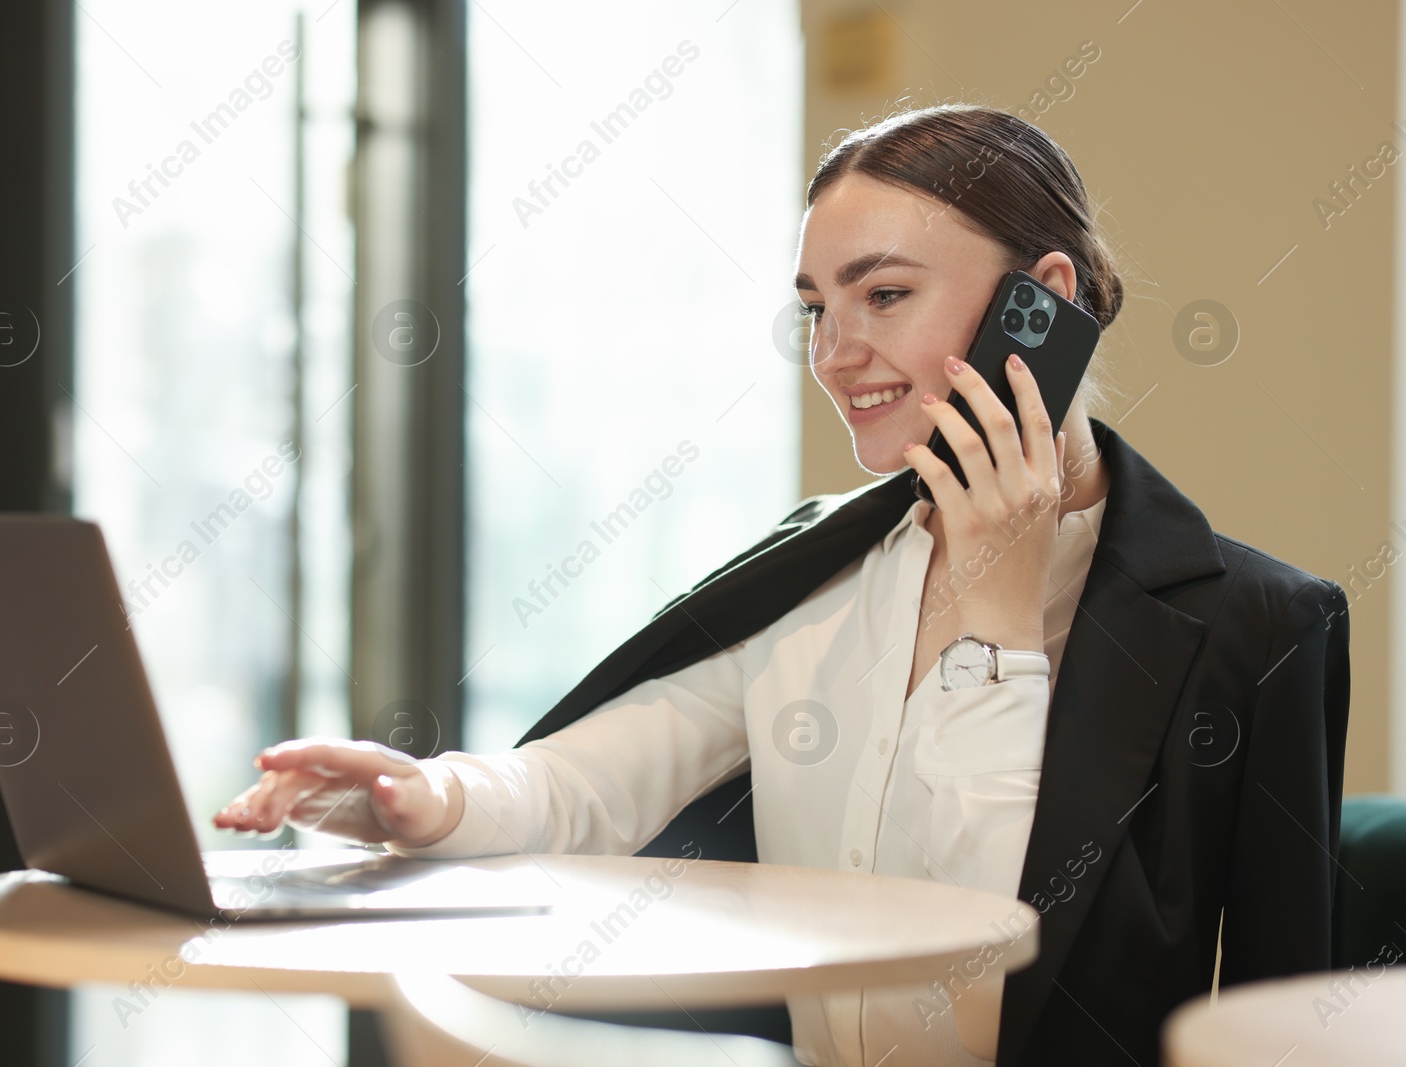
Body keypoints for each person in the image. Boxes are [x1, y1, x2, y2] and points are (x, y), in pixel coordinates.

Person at [214, 104, 1351, 1067]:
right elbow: (595, 780)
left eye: (884, 295)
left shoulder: (1254, 624)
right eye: (817, 306)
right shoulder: (817, 565)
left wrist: (1001, 627)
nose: (834, 351)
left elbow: (1282, 1019)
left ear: (1041, 300)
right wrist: (427, 796)